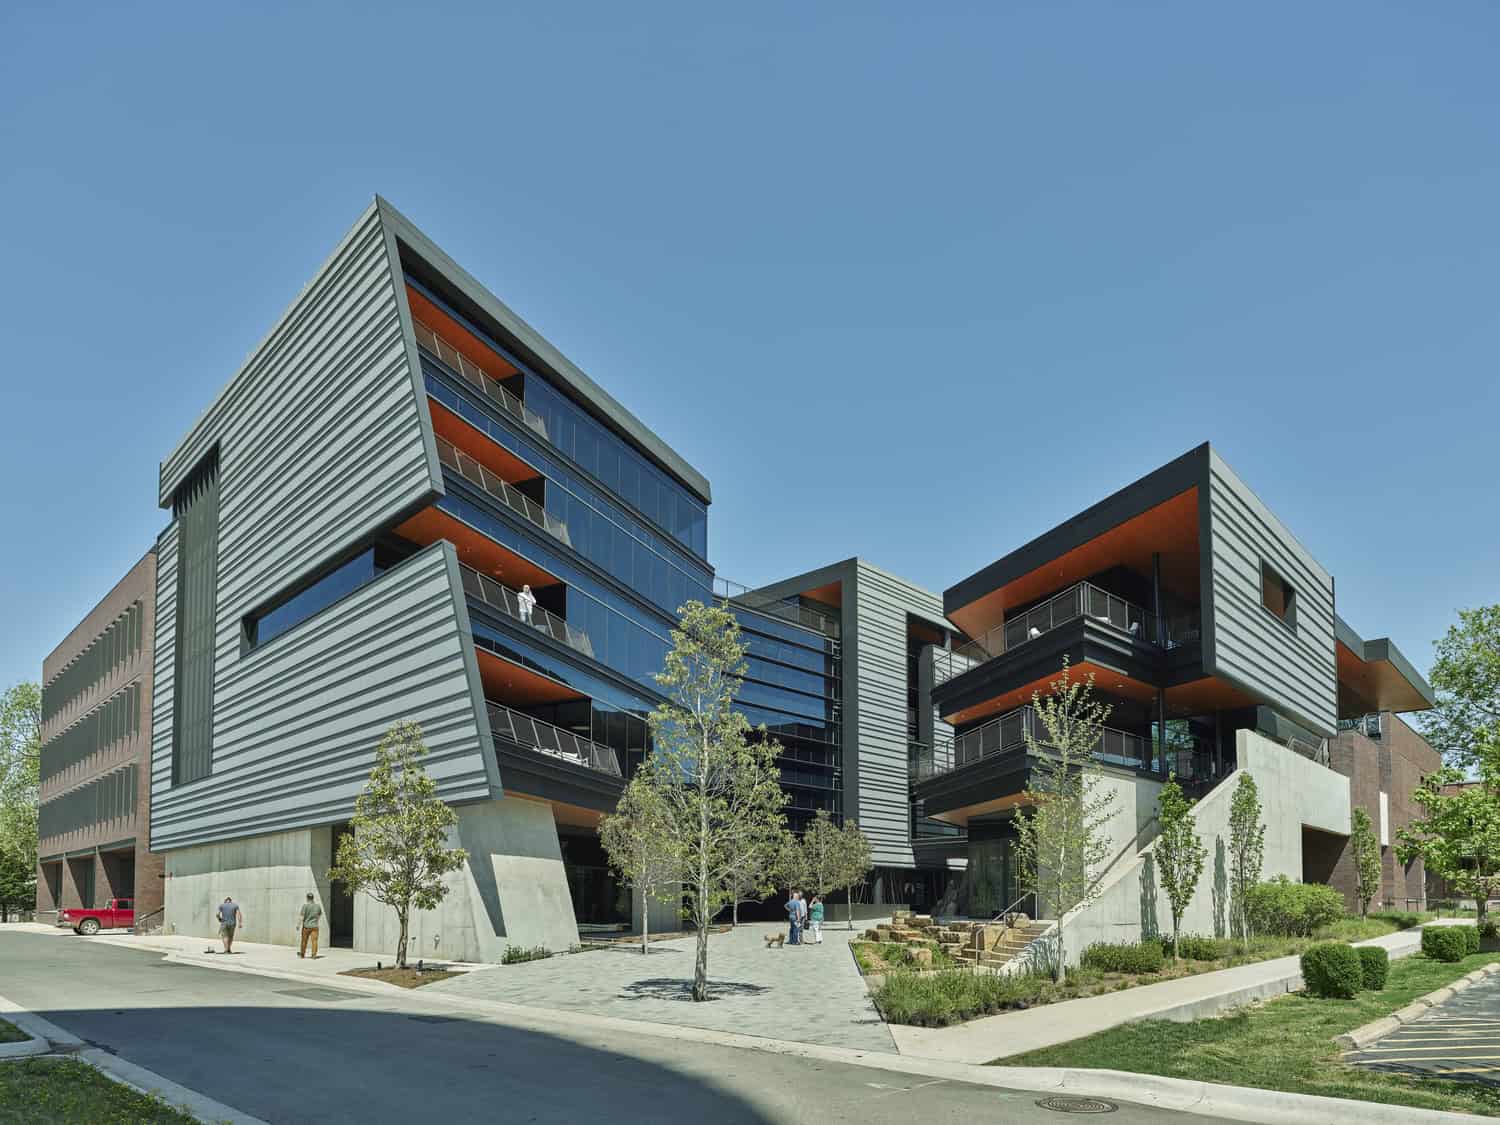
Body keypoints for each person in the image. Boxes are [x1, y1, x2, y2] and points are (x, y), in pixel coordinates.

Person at [297, 892, 323, 959]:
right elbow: (319, 915)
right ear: (313, 898)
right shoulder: (317, 906)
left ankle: (302, 954)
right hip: (315, 926)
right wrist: (316, 920)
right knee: (314, 941)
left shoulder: (305, 906)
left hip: (306, 926)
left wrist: (298, 925)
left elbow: (302, 916)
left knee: (304, 941)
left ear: (307, 898)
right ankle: (314, 955)